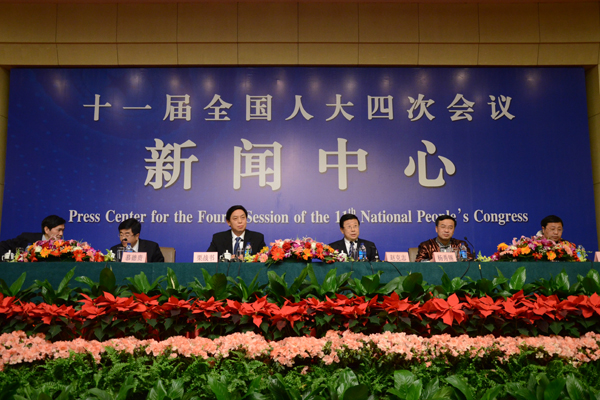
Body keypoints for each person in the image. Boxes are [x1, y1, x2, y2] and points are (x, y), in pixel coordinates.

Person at [0, 215, 66, 259]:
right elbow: (2, 246)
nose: (61, 234)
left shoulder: (63, 247)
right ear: (47, 230)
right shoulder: (27, 238)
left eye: (63, 230)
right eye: (59, 230)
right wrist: (10, 258)